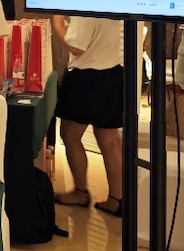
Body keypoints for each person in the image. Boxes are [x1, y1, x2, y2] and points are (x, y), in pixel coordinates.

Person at [51, 15, 124, 217]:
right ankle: (117, 199)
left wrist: (57, 23)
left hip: (86, 77)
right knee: (109, 142)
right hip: (113, 74)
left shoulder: (84, 10)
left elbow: (76, 47)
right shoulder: (113, 6)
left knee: (70, 136)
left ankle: (80, 192)